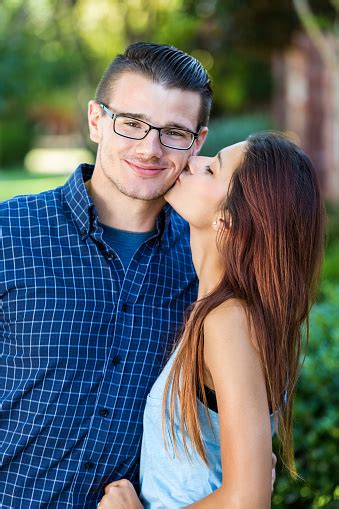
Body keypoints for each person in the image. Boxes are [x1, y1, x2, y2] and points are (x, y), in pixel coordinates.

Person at [0, 43, 276, 507]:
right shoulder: (9, 234)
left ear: (198, 141)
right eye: (131, 123)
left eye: (173, 132)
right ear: (96, 120)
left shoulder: (210, 273)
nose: (149, 149)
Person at [98, 133, 325, 508]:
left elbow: (248, 499)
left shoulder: (228, 321)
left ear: (230, 219)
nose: (192, 161)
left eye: (212, 169)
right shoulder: (226, 311)